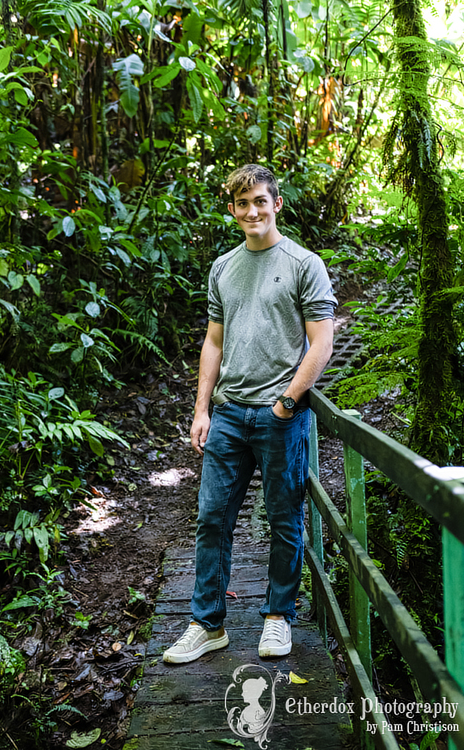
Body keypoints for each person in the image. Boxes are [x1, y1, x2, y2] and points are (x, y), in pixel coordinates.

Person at [163, 164, 336, 664]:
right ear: (233, 209)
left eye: (260, 200)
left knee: (284, 520)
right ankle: (207, 623)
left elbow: (323, 341)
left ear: (276, 204)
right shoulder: (223, 267)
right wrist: (201, 409)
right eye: (243, 203)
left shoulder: (304, 264)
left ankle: (278, 617)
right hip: (230, 415)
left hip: (280, 417)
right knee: (212, 518)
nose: (252, 211)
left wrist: (287, 402)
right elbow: (213, 341)